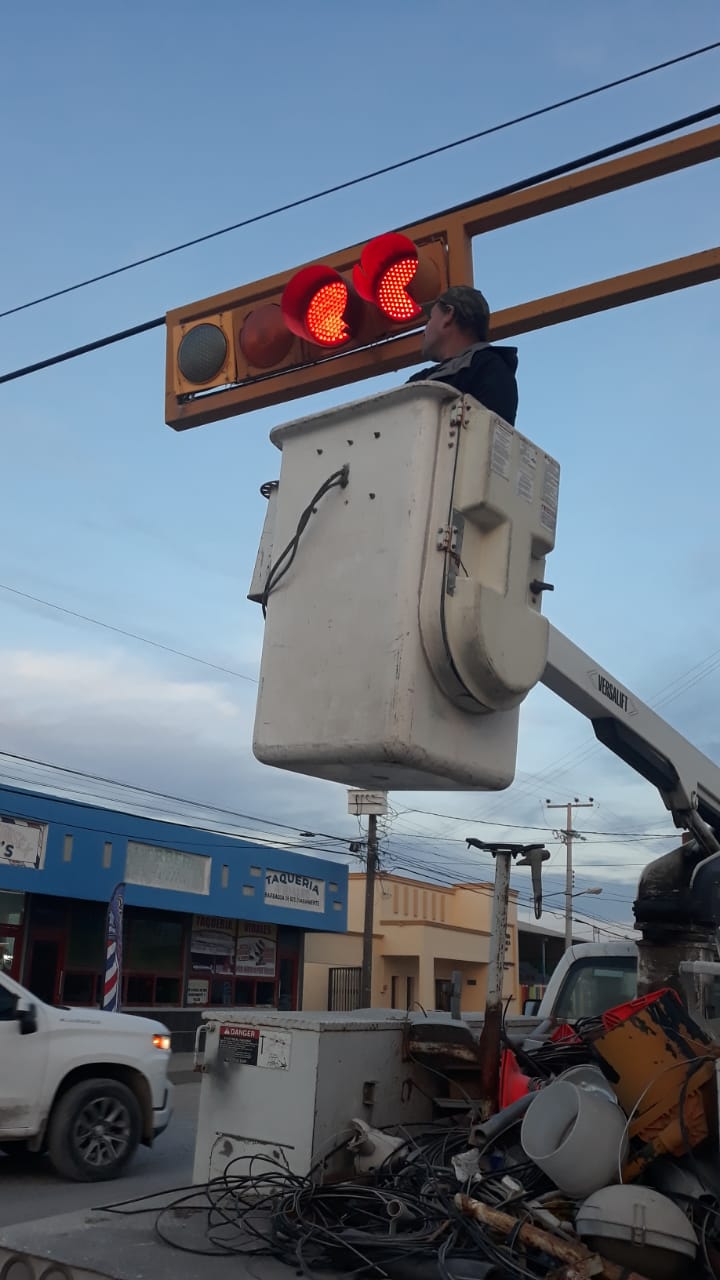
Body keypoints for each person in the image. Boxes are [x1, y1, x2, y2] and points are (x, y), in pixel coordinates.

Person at [407, 285, 518, 425]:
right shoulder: (420, 379)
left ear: (449, 315)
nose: (424, 331)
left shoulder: (490, 368)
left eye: (430, 318)